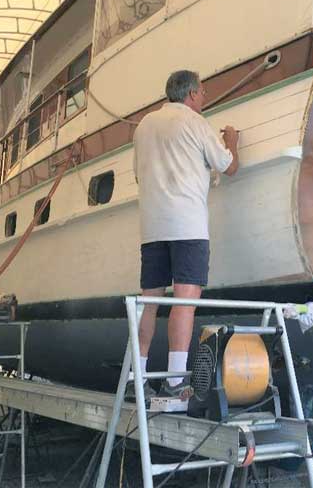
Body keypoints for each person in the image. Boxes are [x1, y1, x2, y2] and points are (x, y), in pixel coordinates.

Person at [130, 69, 239, 401]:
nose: (204, 98)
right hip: (187, 226)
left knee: (149, 303)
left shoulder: (143, 127)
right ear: (191, 94)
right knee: (184, 303)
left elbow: (139, 175)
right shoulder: (195, 123)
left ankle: (139, 377)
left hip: (152, 227)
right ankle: (176, 380)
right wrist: (232, 142)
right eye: (202, 93)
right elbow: (227, 165)